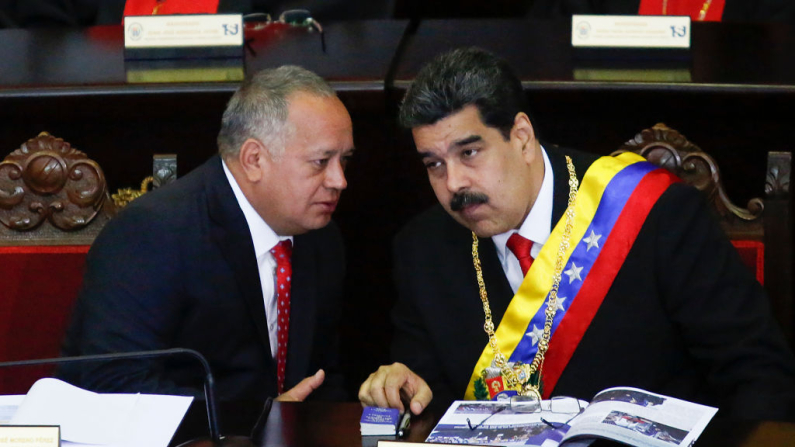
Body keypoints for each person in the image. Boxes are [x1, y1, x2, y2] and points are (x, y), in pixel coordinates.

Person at [358, 47, 795, 420]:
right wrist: (401, 386)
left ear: (522, 137)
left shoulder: (656, 215)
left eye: (469, 152)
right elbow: (425, 396)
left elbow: (758, 376)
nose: (452, 183)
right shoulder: (422, 248)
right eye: (433, 164)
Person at [59, 65, 354, 402]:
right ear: (254, 159)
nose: (339, 180)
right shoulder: (152, 233)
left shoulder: (320, 238)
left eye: (344, 160)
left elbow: (322, 377)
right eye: (321, 162)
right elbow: (114, 383)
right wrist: (255, 421)